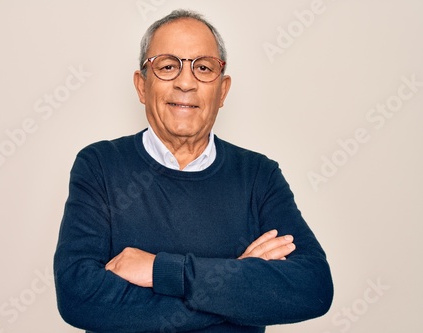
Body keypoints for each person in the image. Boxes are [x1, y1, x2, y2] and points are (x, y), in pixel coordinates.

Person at [54, 9, 333, 333]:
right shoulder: (100, 165)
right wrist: (236, 285)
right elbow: (79, 296)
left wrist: (162, 271)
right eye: (168, 66)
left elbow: (312, 287)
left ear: (223, 90)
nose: (186, 82)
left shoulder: (259, 175)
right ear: (142, 86)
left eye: (203, 68)